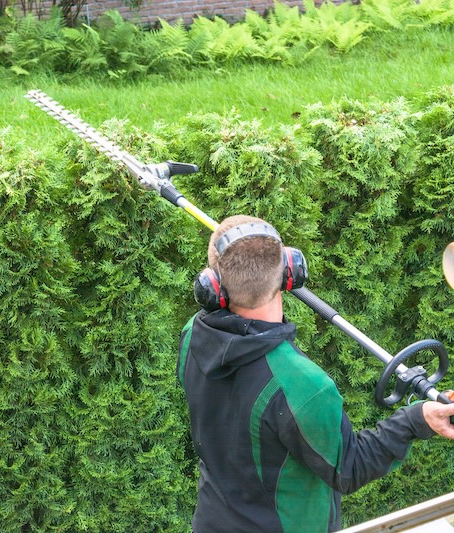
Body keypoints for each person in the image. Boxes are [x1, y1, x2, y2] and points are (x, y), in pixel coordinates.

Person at [176, 214, 454, 533]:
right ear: (291, 272)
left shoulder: (193, 336)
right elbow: (348, 467)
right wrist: (416, 420)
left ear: (212, 287)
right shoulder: (303, 385)